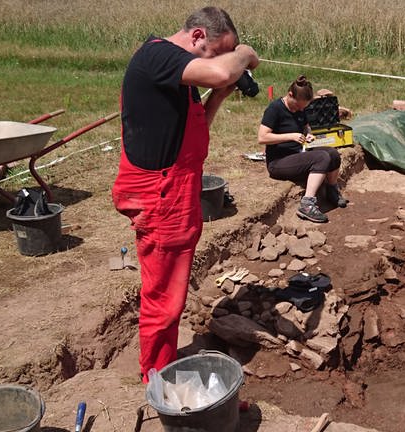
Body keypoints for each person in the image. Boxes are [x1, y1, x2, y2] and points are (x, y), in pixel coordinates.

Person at [111, 6, 259, 382]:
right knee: (165, 297)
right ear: (197, 37)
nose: (221, 61)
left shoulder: (179, 74)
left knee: (170, 291)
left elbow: (193, 131)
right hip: (161, 195)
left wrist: (219, 95)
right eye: (216, 51)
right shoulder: (157, 56)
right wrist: (242, 55)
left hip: (176, 190)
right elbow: (224, 70)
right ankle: (157, 379)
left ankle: (163, 363)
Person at [257, 75, 347, 223]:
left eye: (303, 107)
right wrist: (290, 136)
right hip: (278, 162)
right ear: (290, 95)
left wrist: (309, 135)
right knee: (321, 157)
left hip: (298, 155)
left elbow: (306, 127)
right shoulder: (274, 109)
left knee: (332, 154)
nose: (300, 109)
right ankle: (307, 204)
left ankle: (331, 190)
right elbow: (262, 137)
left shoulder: (300, 109)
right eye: (298, 105)